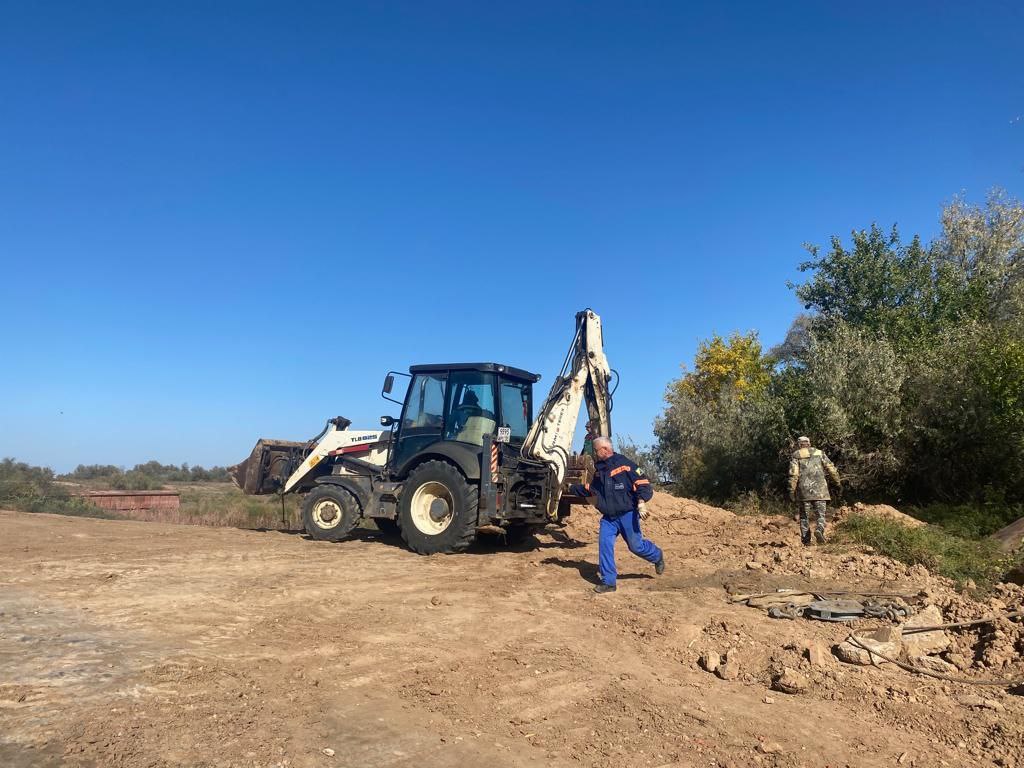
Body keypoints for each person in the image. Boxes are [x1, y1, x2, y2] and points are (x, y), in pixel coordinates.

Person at [568, 437, 665, 593]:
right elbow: (593, 489)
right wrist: (571, 488)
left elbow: (644, 485)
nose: (595, 453)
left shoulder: (625, 465)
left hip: (628, 514)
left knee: (636, 546)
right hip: (609, 518)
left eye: (596, 450)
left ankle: (657, 555)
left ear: (605, 449)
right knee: (605, 545)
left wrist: (641, 502)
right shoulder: (600, 470)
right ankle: (609, 582)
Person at [788, 436, 841, 545]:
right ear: (809, 443)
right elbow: (831, 468)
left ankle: (806, 542)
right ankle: (819, 529)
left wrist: (791, 491)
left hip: (804, 492)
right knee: (820, 515)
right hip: (820, 490)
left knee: (804, 517)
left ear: (799, 444)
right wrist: (837, 482)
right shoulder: (820, 453)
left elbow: (794, 475)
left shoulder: (796, 455)